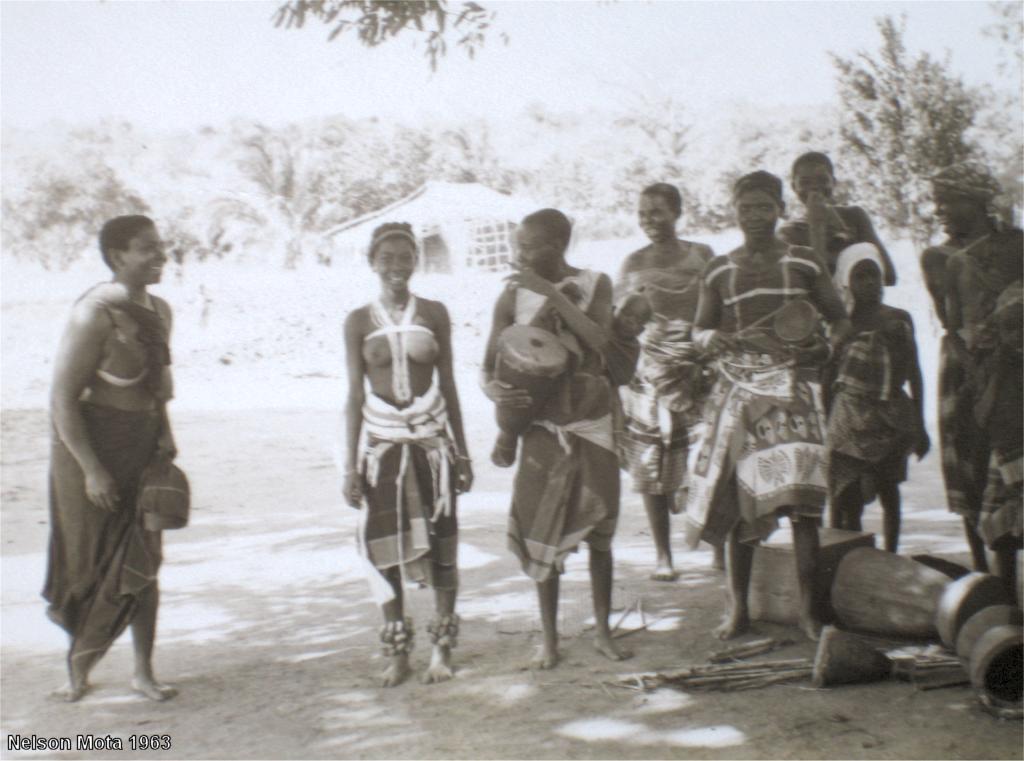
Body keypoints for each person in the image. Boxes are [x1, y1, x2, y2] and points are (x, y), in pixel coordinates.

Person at [682, 171, 850, 641]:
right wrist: (709, 338)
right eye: (745, 207)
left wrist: (825, 347)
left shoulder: (804, 261)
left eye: (763, 206)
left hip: (794, 391)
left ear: (779, 209)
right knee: (741, 504)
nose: (754, 215)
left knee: (803, 506)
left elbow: (839, 320)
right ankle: (739, 609)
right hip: (739, 392)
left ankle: (809, 613)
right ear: (734, 211)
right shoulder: (718, 269)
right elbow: (698, 330)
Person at [482, 208, 632, 669]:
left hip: (592, 421)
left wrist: (549, 292)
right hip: (542, 426)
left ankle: (603, 630)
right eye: (518, 245)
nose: (520, 254)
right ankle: (549, 639)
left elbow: (599, 340)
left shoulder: (595, 283)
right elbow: (488, 366)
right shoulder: (511, 295)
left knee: (600, 530)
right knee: (541, 530)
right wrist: (495, 393)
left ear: (558, 245)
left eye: (529, 246)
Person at [44, 215, 178, 702]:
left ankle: (144, 671)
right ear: (117, 256)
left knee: (144, 560)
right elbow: (61, 400)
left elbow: (157, 391)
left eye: (161, 246)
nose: (160, 255)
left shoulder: (159, 311)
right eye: (147, 248)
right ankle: (77, 670)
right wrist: (92, 471)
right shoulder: (93, 313)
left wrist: (165, 437)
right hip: (88, 453)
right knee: (87, 563)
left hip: (141, 447)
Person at [342, 222, 473, 687]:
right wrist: (350, 467)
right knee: (384, 550)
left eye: (405, 257)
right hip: (382, 447)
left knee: (442, 545)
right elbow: (354, 395)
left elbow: (449, 384)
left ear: (416, 260)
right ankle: (398, 653)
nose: (396, 266)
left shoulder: (434, 313)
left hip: (431, 446)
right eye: (387, 258)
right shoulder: (358, 321)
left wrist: (462, 454)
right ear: (371, 262)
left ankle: (442, 650)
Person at [921, 162, 1023, 572]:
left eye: (946, 201)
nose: (938, 210)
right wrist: (978, 377)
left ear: (976, 201)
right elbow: (952, 325)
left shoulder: (1016, 245)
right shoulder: (939, 258)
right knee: (973, 467)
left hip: (1016, 364)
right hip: (967, 367)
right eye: (936, 201)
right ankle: (986, 577)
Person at [616, 183, 717, 580]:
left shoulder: (702, 256)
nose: (649, 221)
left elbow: (719, 307)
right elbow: (620, 322)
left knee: (710, 458)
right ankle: (663, 556)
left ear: (677, 212)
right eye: (642, 214)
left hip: (699, 368)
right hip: (651, 374)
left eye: (657, 212)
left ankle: (720, 549)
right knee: (652, 465)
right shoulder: (633, 263)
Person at [825, 245, 930, 552]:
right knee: (845, 497)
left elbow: (914, 372)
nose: (870, 282)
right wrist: (825, 425)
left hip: (891, 418)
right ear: (847, 282)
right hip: (847, 419)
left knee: (889, 491)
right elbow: (827, 377)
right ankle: (845, 558)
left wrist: (920, 425)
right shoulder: (840, 325)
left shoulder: (898, 320)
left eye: (874, 274)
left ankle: (890, 556)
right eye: (860, 276)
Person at [778, 151, 897, 285]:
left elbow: (889, 276)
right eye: (805, 182)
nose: (814, 187)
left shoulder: (854, 216)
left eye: (823, 180)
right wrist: (817, 226)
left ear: (833, 183)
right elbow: (813, 286)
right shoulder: (790, 233)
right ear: (794, 187)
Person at [975, 283, 1023, 598]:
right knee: (1003, 535)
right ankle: (1008, 605)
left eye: (1023, 327)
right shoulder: (993, 365)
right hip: (1005, 456)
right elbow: (982, 416)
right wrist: (999, 372)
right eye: (1010, 328)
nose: (1017, 335)